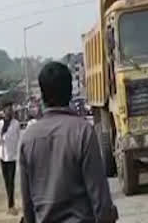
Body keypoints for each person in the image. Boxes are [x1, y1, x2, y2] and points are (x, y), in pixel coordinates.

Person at [20, 62, 118, 223]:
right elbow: (100, 198)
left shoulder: (28, 139)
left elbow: (27, 203)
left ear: (42, 96)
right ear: (70, 93)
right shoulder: (83, 131)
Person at [0, 104, 19, 216]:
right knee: (6, 182)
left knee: (11, 181)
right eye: (7, 109)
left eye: (11, 109)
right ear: (4, 111)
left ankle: (11, 205)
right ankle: (10, 203)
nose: (9, 111)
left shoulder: (16, 124)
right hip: (2, 156)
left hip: (12, 156)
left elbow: (17, 138)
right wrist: (2, 132)